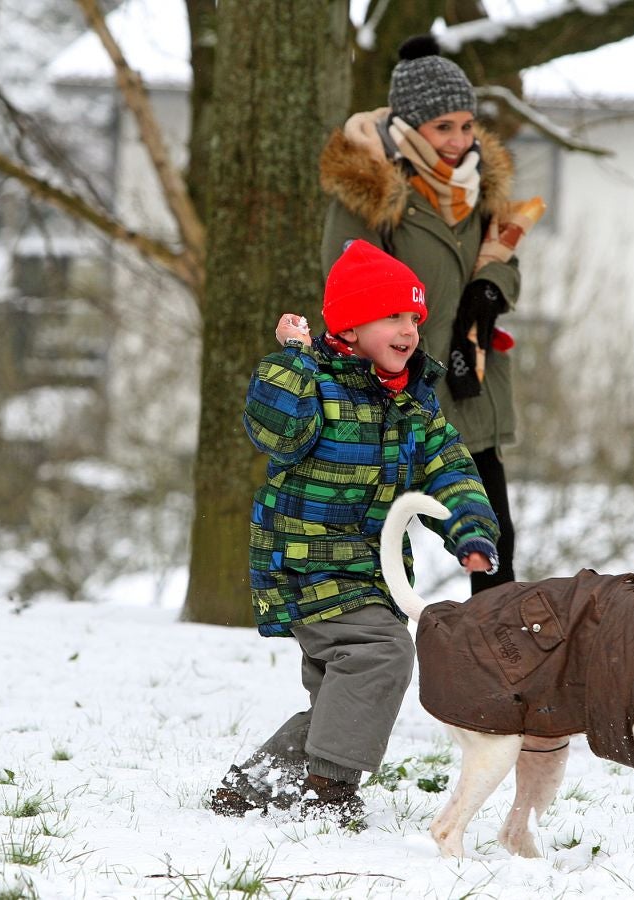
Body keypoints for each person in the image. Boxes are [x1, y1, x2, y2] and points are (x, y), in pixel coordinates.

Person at [208, 239, 500, 827]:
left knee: (343, 691)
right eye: (392, 315)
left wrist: (470, 530)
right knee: (380, 653)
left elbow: (451, 467)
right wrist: (293, 357)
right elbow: (277, 431)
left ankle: (254, 788)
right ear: (349, 324)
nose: (408, 329)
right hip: (304, 561)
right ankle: (329, 788)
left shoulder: (413, 404)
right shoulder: (310, 380)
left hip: (371, 569)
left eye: (414, 318)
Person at [319, 33, 522, 594]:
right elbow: (346, 285)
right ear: (409, 126)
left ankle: (499, 664)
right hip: (396, 394)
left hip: (469, 384)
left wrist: (487, 292)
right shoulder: (373, 188)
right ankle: (371, 653)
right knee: (382, 539)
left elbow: (507, 260)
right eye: (443, 127)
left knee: (495, 539)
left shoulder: (481, 189)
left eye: (466, 125)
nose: (459, 140)